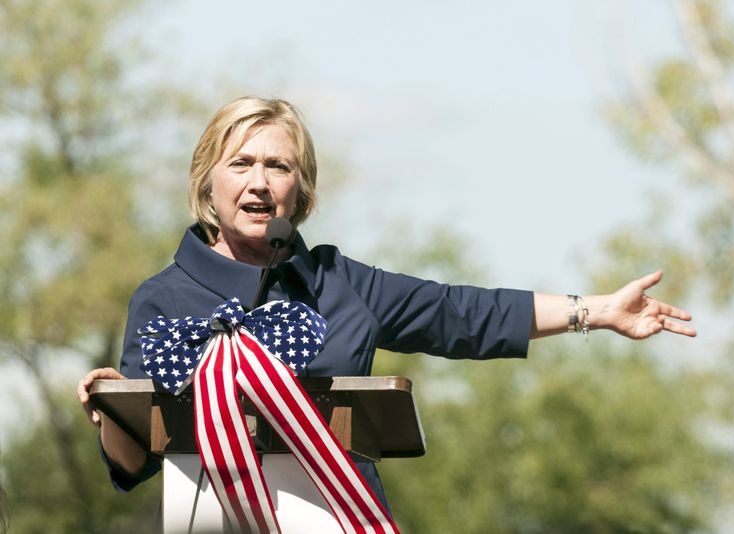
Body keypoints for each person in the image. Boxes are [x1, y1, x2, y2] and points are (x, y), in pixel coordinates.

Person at [77, 96, 696, 514]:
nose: (259, 181)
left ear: (302, 189)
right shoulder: (160, 299)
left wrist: (596, 310)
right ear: (207, 181)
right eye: (240, 163)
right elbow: (132, 465)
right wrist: (112, 410)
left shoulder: (339, 283)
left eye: (278, 165)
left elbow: (462, 314)